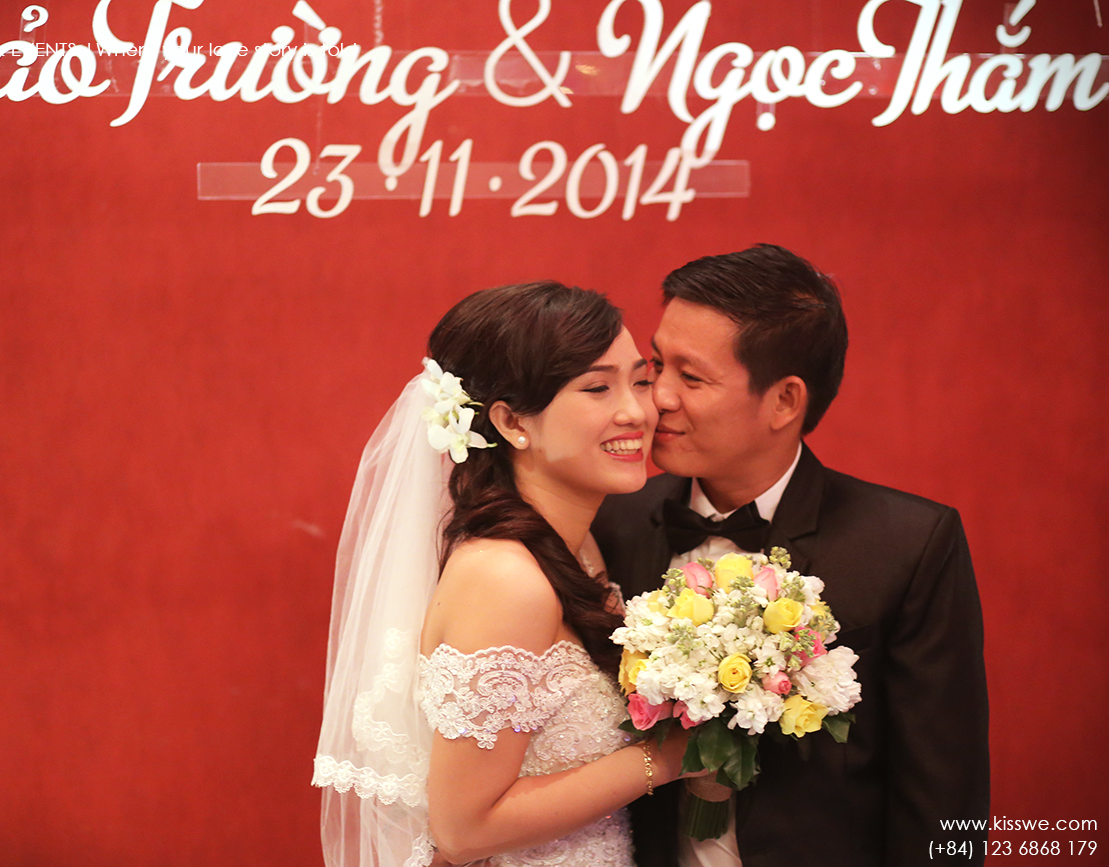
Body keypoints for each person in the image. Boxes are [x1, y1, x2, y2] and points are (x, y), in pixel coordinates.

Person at [592, 244, 989, 867]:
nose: (657, 397)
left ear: (784, 401)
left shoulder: (907, 544)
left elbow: (945, 799)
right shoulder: (609, 522)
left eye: (691, 378)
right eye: (657, 364)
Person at [313, 282, 701, 867]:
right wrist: (669, 756)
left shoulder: (579, 544)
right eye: (597, 388)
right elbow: (462, 830)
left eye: (640, 381)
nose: (637, 411)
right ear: (513, 422)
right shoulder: (506, 579)